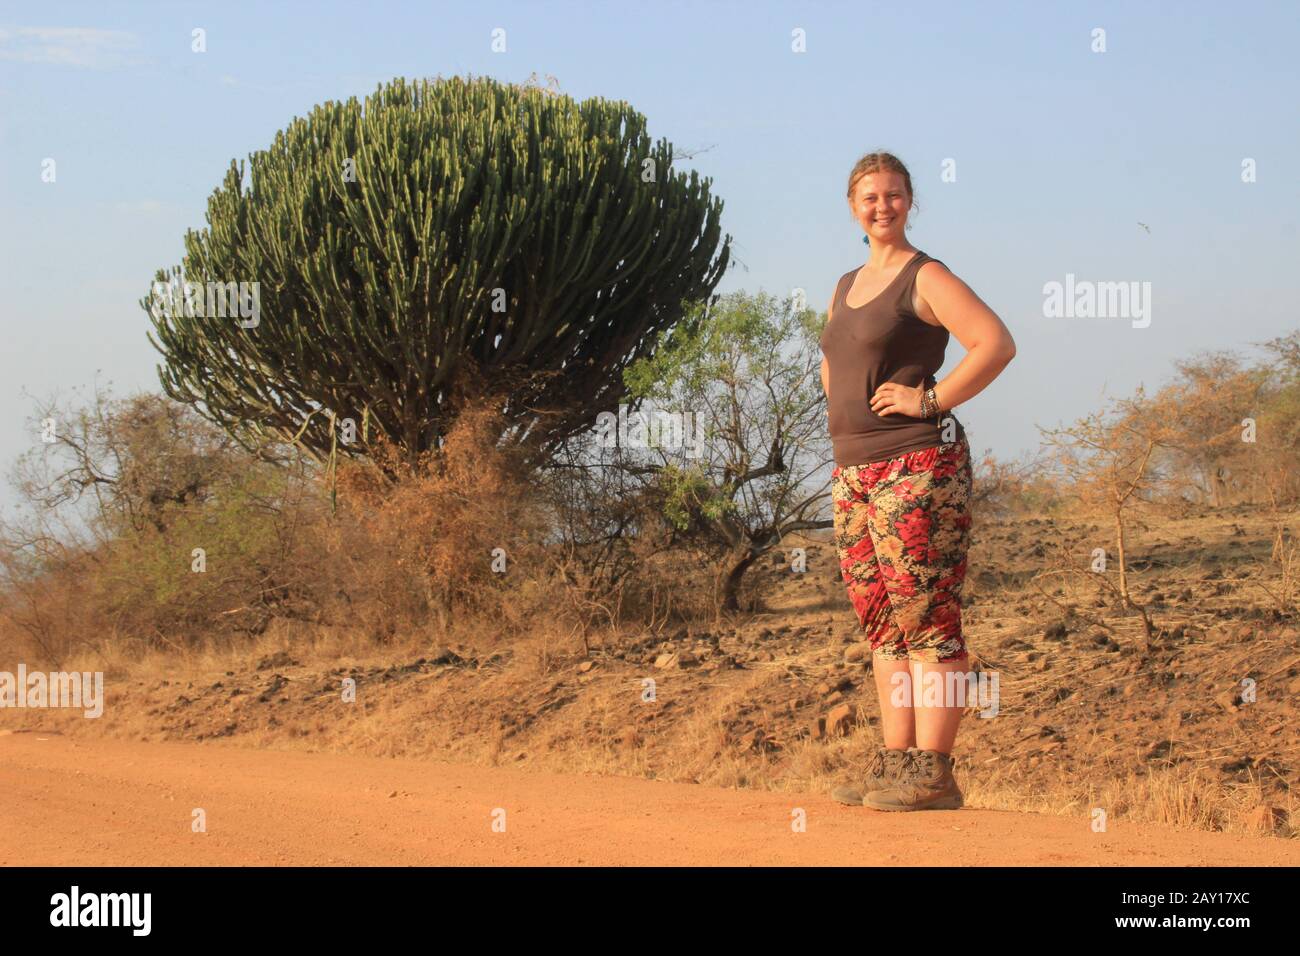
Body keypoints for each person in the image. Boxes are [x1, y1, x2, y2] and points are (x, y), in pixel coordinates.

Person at [820, 151, 1016, 811]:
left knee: (928, 619)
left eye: (895, 195)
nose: (883, 206)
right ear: (853, 206)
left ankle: (936, 772)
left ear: (911, 202)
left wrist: (929, 402)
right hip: (854, 471)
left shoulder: (925, 275)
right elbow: (836, 366)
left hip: (916, 464)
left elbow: (994, 342)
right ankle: (895, 765)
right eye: (870, 196)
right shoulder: (846, 283)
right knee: (883, 625)